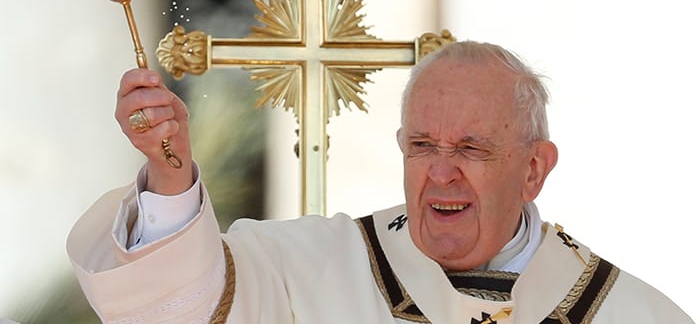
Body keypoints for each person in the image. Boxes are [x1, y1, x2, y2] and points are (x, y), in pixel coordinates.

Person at [67, 41, 694, 323]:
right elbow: (184, 311)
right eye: (422, 146)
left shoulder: (630, 314)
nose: (440, 172)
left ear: (533, 169)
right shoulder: (308, 272)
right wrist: (171, 173)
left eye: (470, 149)